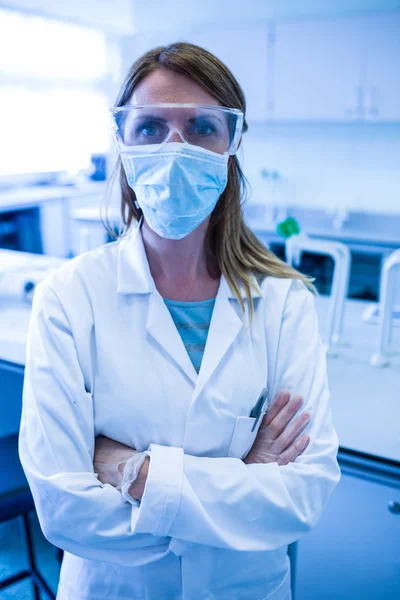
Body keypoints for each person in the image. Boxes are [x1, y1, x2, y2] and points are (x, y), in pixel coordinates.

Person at [18, 42, 341, 600]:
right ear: (123, 142)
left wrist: (134, 473)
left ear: (231, 146)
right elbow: (65, 511)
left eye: (201, 127)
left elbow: (303, 497)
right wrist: (246, 475)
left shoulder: (285, 303)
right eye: (149, 129)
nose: (175, 149)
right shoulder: (68, 299)